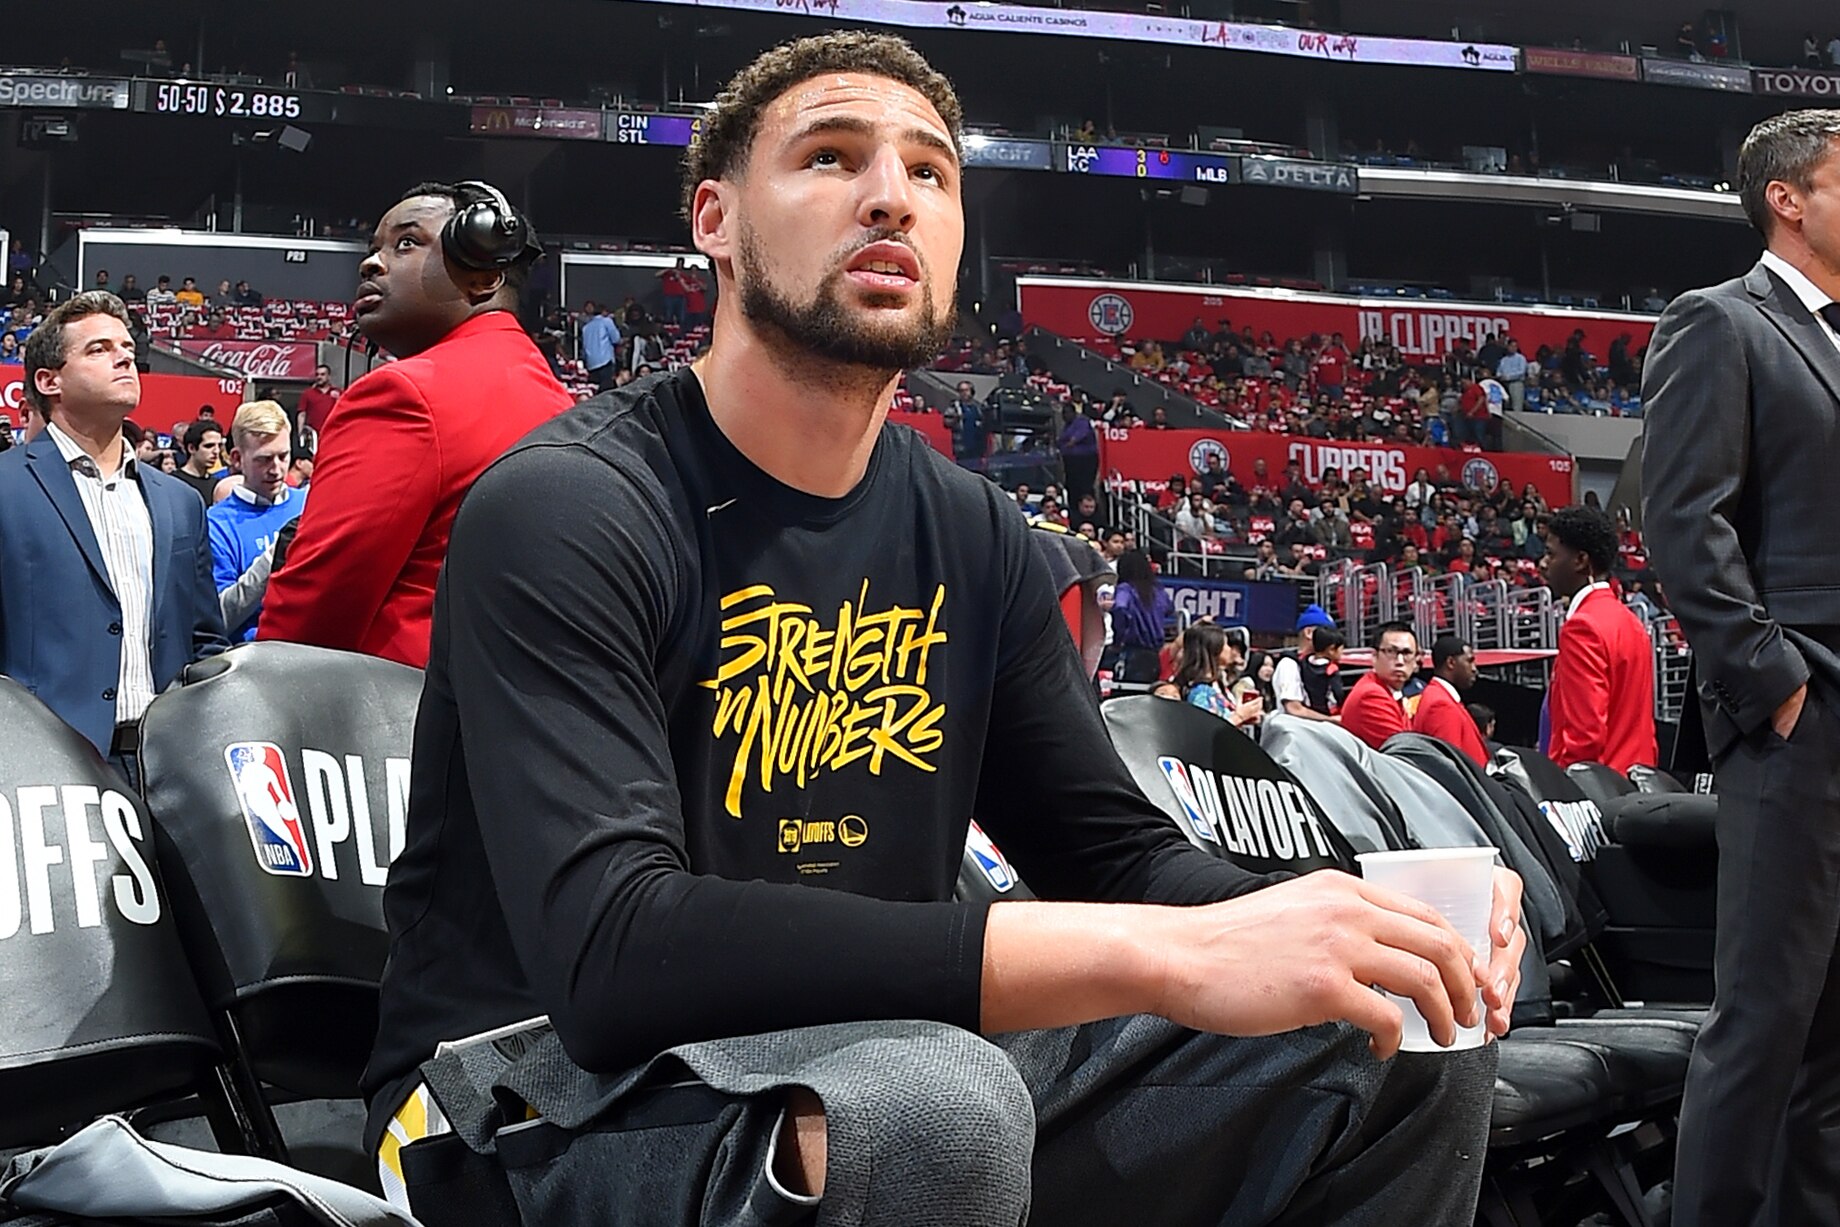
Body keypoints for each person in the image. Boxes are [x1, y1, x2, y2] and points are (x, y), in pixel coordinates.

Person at [363, 33, 1520, 1226]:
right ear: (714, 218)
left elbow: (1114, 857)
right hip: (519, 1089)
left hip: (863, 1055)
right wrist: (1163, 959)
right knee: (930, 1105)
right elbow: (611, 954)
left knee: (1385, 1035)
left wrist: (1352, 924)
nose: (887, 197)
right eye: (828, 157)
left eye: (930, 174)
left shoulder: (973, 533)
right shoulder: (570, 502)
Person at [1641, 108, 1840, 1227]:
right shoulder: (1720, 322)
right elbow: (1684, 522)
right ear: (1787, 196)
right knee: (1764, 1020)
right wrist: (1772, 681)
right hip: (1797, 713)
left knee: (1831, 1042)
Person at [259, 181, 572, 668]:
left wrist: (257, 695)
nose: (371, 263)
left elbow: (316, 603)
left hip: (397, 721)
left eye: (406, 242)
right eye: (374, 248)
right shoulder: (558, 400)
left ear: (483, 276)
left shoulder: (402, 395)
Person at [0, 292, 227, 782]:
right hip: (39, 769)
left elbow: (205, 638)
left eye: (126, 346)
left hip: (168, 767)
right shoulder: (5, 487)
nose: (125, 356)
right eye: (99, 349)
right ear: (48, 380)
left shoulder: (181, 501)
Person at [1539, 506, 1657, 773]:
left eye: (1551, 554)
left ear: (1580, 560)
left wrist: (1563, 795)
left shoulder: (1582, 627)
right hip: (1637, 785)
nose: (1543, 563)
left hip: (1596, 796)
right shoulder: (1630, 621)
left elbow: (1583, 738)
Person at [207, 401, 305, 641]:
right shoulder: (216, 524)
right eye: (264, 459)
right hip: (254, 661)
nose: (277, 470)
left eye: (283, 456)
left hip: (315, 652)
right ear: (237, 458)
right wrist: (273, 559)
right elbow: (219, 617)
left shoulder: (310, 503)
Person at [1340, 621, 1418, 750]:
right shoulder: (1370, 696)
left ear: (1416, 660)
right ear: (1374, 656)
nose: (1399, 661)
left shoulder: (1388, 691)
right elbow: (1406, 752)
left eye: (1406, 653)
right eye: (1391, 651)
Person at [1414, 635, 1489, 767]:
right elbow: (1449, 768)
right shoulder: (1440, 704)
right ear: (1451, 663)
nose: (1474, 669)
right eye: (1469, 661)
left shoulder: (1441, 697)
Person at [1173, 622, 1263, 730]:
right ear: (1214, 649)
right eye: (1226, 644)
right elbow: (1205, 731)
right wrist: (1239, 717)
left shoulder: (1217, 684)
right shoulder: (1199, 691)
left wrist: (1245, 717)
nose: (1230, 650)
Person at [1108, 548, 1173, 682]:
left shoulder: (1125, 589)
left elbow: (1120, 607)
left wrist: (1118, 638)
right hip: (1156, 653)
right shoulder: (1157, 589)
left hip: (1132, 651)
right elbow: (1169, 608)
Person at [1271, 605, 1342, 722]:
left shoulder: (1320, 665)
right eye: (1324, 632)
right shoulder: (1289, 664)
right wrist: (1332, 720)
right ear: (1309, 633)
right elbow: (1294, 709)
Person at [173, 419, 228, 503]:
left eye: (219, 446)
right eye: (209, 446)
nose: (216, 451)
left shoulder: (218, 486)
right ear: (191, 448)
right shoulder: (173, 481)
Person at [580, 300, 620, 391]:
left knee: (594, 390)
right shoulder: (607, 321)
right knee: (606, 390)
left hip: (591, 363)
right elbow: (616, 339)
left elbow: (584, 346)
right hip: (605, 360)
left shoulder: (586, 327)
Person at [297, 364, 341, 437]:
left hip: (333, 432)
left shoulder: (338, 393)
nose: (319, 377)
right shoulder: (308, 393)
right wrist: (300, 433)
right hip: (313, 434)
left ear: (329, 376)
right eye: (317, 374)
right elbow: (302, 414)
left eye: (322, 374)